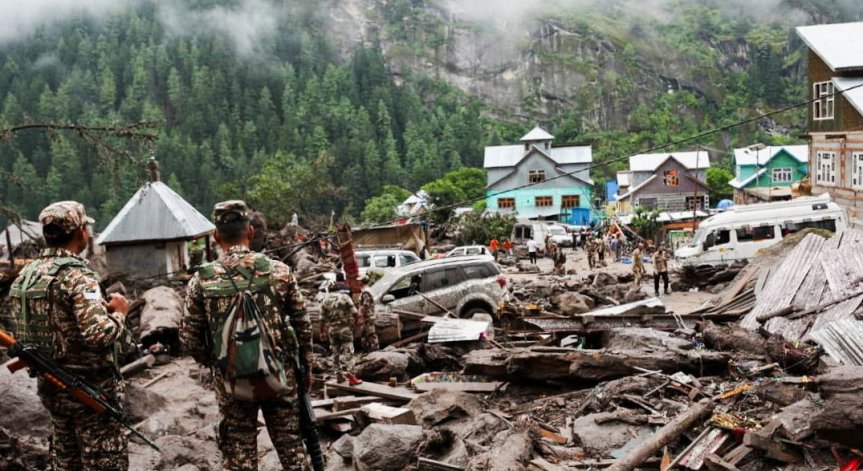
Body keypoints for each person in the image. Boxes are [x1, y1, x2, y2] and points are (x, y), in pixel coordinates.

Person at [182, 200, 311, 470]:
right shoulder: (279, 271)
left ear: (216, 236)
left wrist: (220, 363)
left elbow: (190, 339)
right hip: (279, 376)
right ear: (251, 232)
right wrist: (305, 367)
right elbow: (302, 324)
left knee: (239, 459)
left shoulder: (201, 280)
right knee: (292, 452)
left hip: (231, 384)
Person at [4, 201, 130, 470]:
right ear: (82, 232)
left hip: (52, 389)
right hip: (91, 392)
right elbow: (98, 335)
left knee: (66, 461)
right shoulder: (77, 275)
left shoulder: (26, 275)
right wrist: (119, 313)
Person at [320, 275, 363, 385]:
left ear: (328, 289)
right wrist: (357, 323)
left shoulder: (325, 300)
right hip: (345, 329)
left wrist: (321, 332)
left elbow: (322, 319)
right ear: (337, 289)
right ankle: (351, 376)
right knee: (348, 351)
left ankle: (339, 376)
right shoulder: (344, 297)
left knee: (335, 353)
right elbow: (355, 313)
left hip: (332, 330)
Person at [357, 276, 380, 353]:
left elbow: (365, 305)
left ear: (362, 281)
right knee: (365, 334)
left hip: (368, 316)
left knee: (370, 334)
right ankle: (367, 350)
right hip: (368, 315)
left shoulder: (365, 292)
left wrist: (361, 315)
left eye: (359, 281)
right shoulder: (366, 290)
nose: (358, 282)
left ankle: (375, 349)